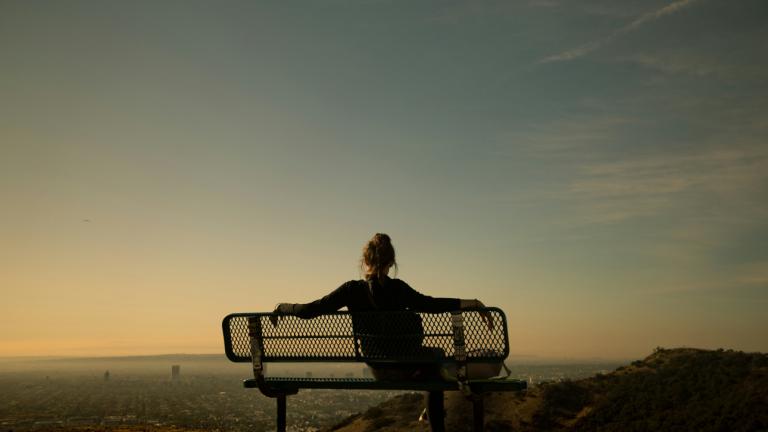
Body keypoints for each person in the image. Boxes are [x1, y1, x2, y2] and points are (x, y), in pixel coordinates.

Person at [270, 233, 493, 432]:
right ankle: (434, 418)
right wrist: (472, 303)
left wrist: (283, 307)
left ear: (365, 261)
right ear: (391, 262)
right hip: (409, 367)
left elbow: (312, 310)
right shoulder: (398, 288)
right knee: (436, 363)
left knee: (433, 364)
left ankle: (430, 410)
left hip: (378, 368)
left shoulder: (351, 290)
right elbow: (430, 304)